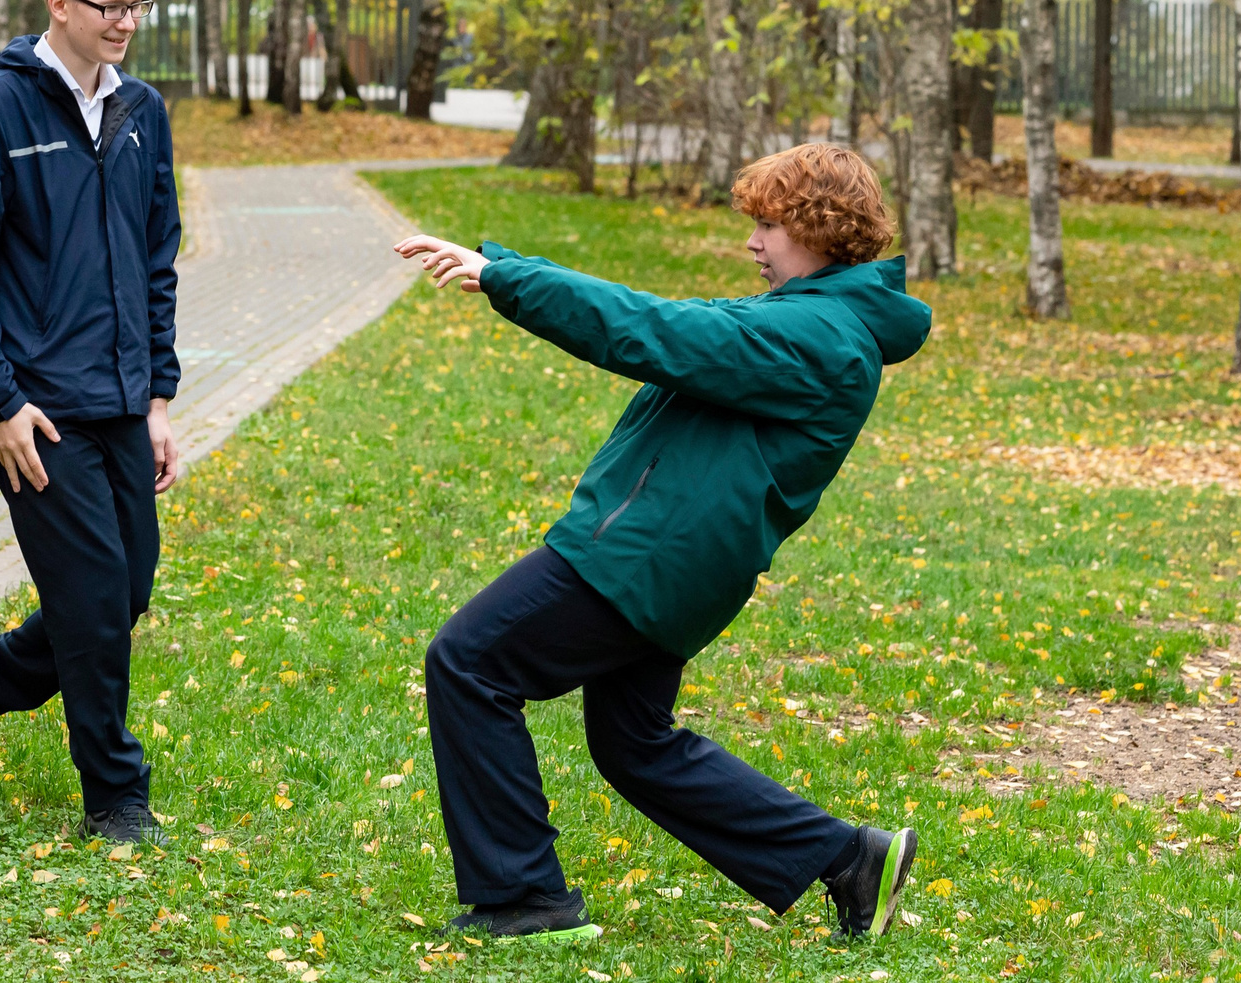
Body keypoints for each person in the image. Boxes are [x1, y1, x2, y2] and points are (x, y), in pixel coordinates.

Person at [393, 142, 933, 944]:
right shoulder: (808, 315)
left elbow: (653, 330)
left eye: (769, 222)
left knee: (469, 659)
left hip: (645, 560)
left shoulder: (823, 336)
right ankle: (848, 858)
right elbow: (678, 321)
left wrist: (507, 277)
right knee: (634, 742)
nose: (753, 240)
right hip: (675, 563)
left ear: (820, 225)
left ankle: (523, 896)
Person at [0, 0, 183, 844]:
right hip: (35, 406)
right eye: (108, 5)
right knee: (90, 599)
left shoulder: (142, 109)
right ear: (59, 4)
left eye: (136, 3)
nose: (126, 22)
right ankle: (116, 795)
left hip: (121, 399)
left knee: (123, 595)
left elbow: (159, 261)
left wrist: (157, 400)